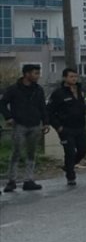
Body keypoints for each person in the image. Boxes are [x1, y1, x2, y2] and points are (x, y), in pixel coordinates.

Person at [1, 64, 49, 192]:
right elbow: (2, 103)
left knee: (31, 153)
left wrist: (45, 122)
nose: (37, 76)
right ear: (26, 74)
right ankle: (12, 180)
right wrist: (8, 117)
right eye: (35, 73)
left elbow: (42, 107)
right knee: (16, 152)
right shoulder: (14, 89)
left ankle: (29, 180)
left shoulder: (38, 89)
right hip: (19, 125)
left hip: (34, 125)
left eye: (38, 73)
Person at [47, 68, 86, 187]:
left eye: (75, 76)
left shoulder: (80, 91)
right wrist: (58, 127)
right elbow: (49, 112)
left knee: (83, 149)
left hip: (80, 127)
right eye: (71, 76)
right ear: (65, 78)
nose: (74, 79)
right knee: (70, 152)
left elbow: (81, 106)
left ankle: (68, 166)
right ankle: (70, 176)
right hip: (66, 128)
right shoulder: (58, 93)